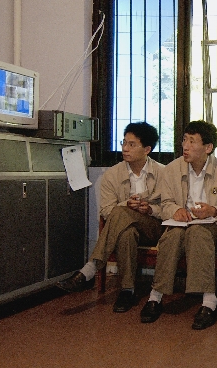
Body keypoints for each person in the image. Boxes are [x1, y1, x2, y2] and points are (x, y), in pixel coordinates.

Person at [57, 121, 164, 315]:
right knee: (126, 231)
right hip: (125, 228)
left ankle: (90, 269)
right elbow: (107, 211)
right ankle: (127, 291)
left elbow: (170, 208)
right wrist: (128, 206)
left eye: (132, 144)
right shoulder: (112, 175)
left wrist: (149, 209)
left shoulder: (163, 173)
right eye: (124, 142)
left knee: (122, 214)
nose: (125, 148)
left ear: (147, 149)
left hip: (155, 228)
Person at [139, 120, 217, 330]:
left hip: (212, 226)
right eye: (184, 140)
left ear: (208, 148)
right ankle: (155, 297)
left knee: (198, 233)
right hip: (180, 224)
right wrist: (176, 210)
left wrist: (212, 210)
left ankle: (209, 302)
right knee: (171, 237)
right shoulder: (172, 169)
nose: (186, 146)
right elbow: (165, 204)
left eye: (192, 142)